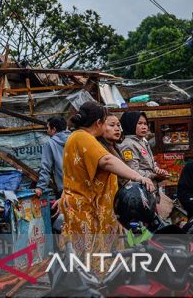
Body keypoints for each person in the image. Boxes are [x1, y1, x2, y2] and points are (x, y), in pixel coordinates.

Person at [61, 102, 155, 255]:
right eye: (106, 122)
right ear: (98, 123)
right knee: (92, 258)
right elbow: (107, 161)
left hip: (85, 205)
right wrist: (138, 177)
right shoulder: (84, 137)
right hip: (85, 208)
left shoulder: (77, 137)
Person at [118, 111, 169, 181]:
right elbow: (133, 171)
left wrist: (158, 170)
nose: (144, 127)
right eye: (140, 123)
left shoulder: (143, 141)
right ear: (130, 124)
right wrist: (154, 176)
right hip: (138, 187)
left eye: (145, 124)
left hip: (149, 186)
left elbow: (149, 165)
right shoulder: (128, 145)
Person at [34, 116, 70, 199]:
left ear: (54, 129)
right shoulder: (76, 139)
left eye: (48, 128)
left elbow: (46, 167)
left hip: (64, 190)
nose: (47, 131)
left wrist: (40, 187)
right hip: (80, 188)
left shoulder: (50, 144)